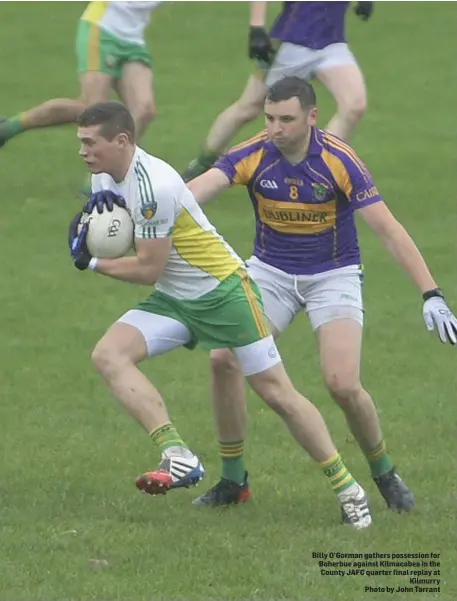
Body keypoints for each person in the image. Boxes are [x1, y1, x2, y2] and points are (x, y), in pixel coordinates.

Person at [69, 100, 374, 529]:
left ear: (122, 141)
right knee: (109, 354)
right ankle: (178, 454)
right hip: (175, 298)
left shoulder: (153, 184)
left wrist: (93, 262)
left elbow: (148, 267)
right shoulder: (104, 173)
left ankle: (349, 489)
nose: (82, 150)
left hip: (224, 294)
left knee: (277, 393)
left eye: (89, 142)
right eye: (81, 142)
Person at [187, 76, 457, 509]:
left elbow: (388, 230)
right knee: (223, 359)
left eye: (286, 119)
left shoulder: (339, 160)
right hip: (270, 273)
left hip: (333, 274)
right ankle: (234, 480)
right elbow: (194, 195)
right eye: (270, 118)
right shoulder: (254, 152)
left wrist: (432, 293)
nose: (276, 128)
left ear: (312, 117)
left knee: (342, 383)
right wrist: (143, 207)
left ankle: (384, 471)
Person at [183, 0, 373, 181]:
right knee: (248, 108)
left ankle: (318, 171)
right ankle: (202, 164)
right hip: (291, 42)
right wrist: (256, 28)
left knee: (354, 106)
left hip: (332, 44)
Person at [0, 1, 161, 151]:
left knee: (144, 109)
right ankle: (9, 128)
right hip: (101, 29)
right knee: (93, 109)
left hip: (133, 40)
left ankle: (118, 172)